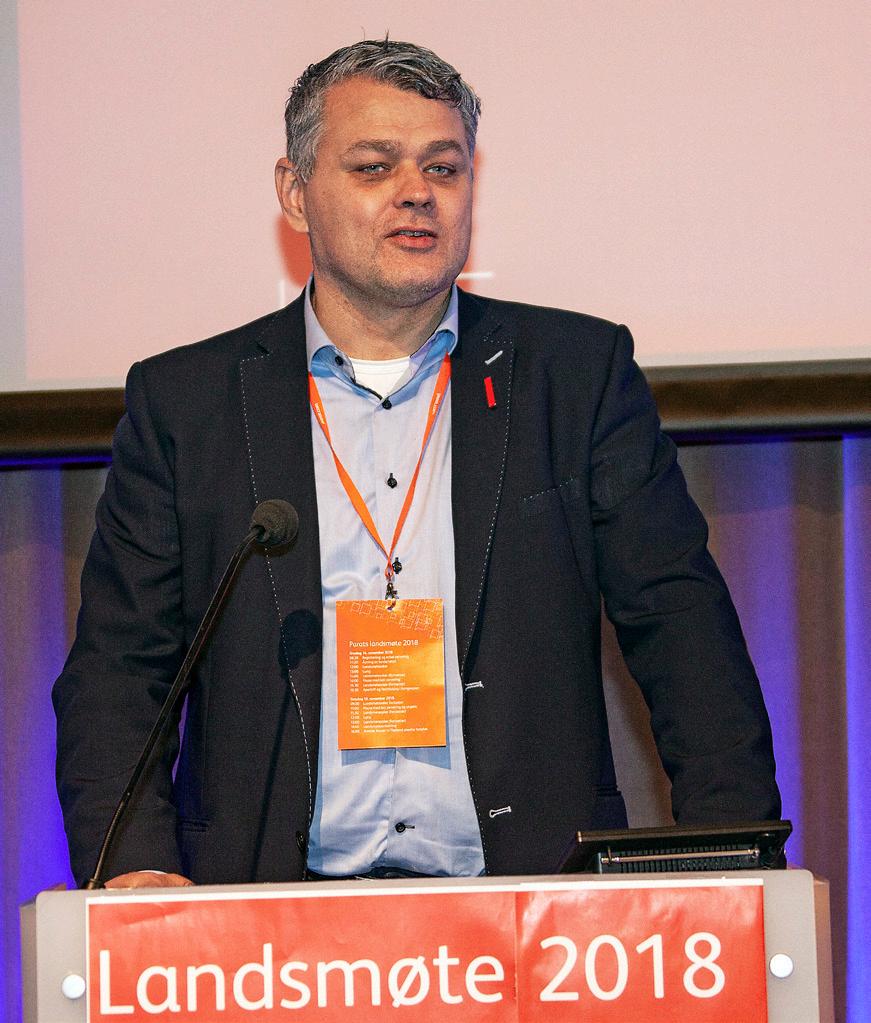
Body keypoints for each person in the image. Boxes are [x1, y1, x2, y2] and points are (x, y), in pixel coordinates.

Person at [53, 39, 780, 890]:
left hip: (528, 906)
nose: (416, 192)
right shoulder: (188, 404)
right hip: (264, 913)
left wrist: (735, 860)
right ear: (294, 192)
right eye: (373, 166)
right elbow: (120, 667)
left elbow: (683, 631)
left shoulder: (574, 376)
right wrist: (134, 867)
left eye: (443, 167)